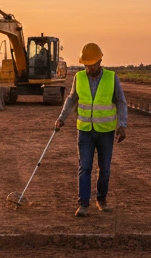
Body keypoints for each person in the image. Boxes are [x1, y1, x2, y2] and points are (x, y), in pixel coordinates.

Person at [53, 43, 127, 217]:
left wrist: (122, 125)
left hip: (105, 131)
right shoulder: (79, 78)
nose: (89, 68)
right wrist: (61, 118)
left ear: (100, 61)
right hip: (85, 130)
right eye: (86, 64)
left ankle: (101, 200)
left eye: (92, 64)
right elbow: (72, 99)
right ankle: (83, 204)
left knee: (104, 168)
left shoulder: (111, 78)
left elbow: (121, 102)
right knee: (84, 167)